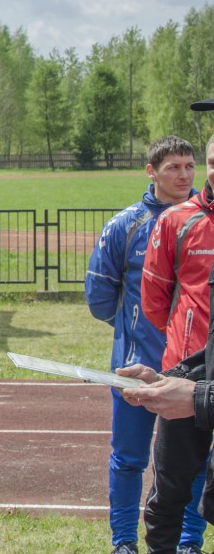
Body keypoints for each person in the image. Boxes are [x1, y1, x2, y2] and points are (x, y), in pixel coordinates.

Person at [85, 136, 205, 554]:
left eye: (190, 166)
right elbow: (100, 296)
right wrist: (133, 329)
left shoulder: (203, 220)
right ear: (151, 171)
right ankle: (123, 542)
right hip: (137, 363)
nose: (184, 175)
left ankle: (190, 540)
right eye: (174, 167)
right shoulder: (126, 224)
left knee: (194, 462)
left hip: (193, 368)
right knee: (129, 458)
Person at [131, 133, 214, 554]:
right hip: (187, 370)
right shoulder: (177, 220)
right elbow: (154, 301)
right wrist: (187, 347)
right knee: (170, 486)